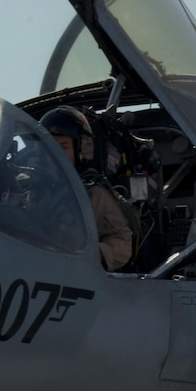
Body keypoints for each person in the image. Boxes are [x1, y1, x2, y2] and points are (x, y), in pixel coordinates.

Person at [41, 106, 135, 271]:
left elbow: (122, 244)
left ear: (81, 150)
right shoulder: (29, 190)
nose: (54, 154)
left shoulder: (93, 195)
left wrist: (86, 255)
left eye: (63, 147)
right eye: (49, 147)